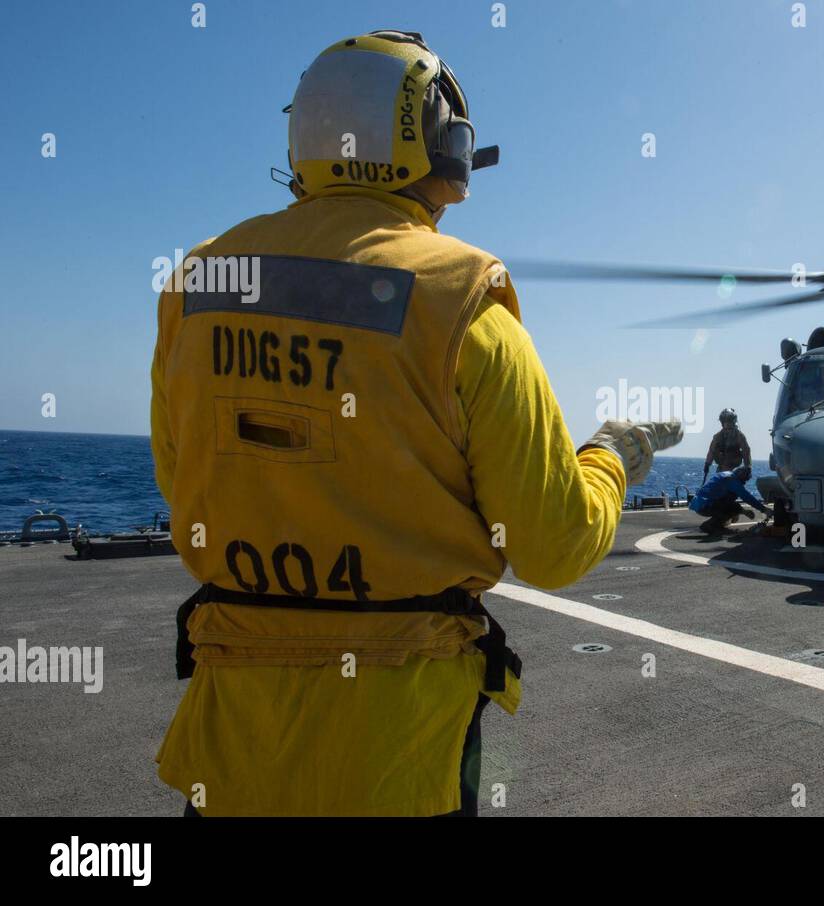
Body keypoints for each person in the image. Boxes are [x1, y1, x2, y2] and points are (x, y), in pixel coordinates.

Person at [149, 30, 681, 816]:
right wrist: (610, 456)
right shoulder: (461, 299)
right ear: (428, 138)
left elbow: (180, 471)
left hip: (230, 756)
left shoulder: (199, 283)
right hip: (399, 760)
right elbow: (554, 543)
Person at [690, 465, 772, 534]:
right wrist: (763, 509)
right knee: (733, 507)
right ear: (742, 475)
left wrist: (741, 511)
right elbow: (747, 497)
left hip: (699, 503)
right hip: (705, 505)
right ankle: (711, 526)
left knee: (732, 503)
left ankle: (716, 525)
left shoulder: (725, 474)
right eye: (745, 479)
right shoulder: (732, 480)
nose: (745, 482)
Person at [703, 408, 751, 482]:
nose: (727, 423)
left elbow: (746, 451)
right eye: (725, 421)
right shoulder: (717, 437)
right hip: (721, 469)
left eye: (729, 420)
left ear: (733, 421)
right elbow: (711, 451)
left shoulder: (739, 436)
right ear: (722, 422)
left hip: (735, 470)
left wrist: (748, 467)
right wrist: (707, 464)